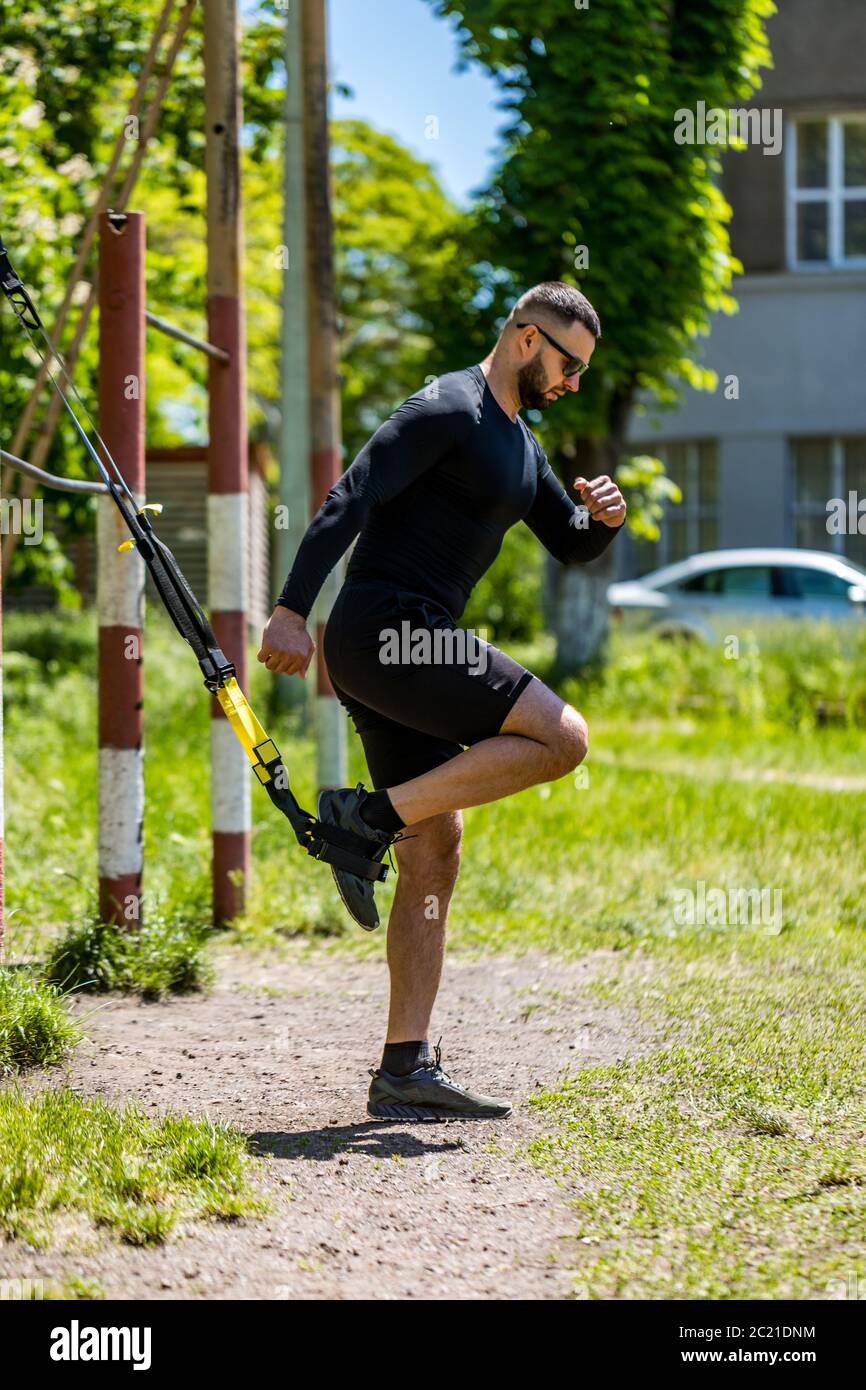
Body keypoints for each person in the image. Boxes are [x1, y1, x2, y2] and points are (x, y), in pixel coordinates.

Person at [258, 281, 626, 1121]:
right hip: (388, 632)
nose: (573, 383)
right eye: (569, 364)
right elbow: (351, 493)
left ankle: (404, 1067)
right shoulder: (448, 407)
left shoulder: (522, 446)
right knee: (562, 738)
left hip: (400, 646)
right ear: (528, 339)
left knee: (438, 846)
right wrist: (289, 608)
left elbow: (570, 547)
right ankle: (365, 818)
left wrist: (603, 519)